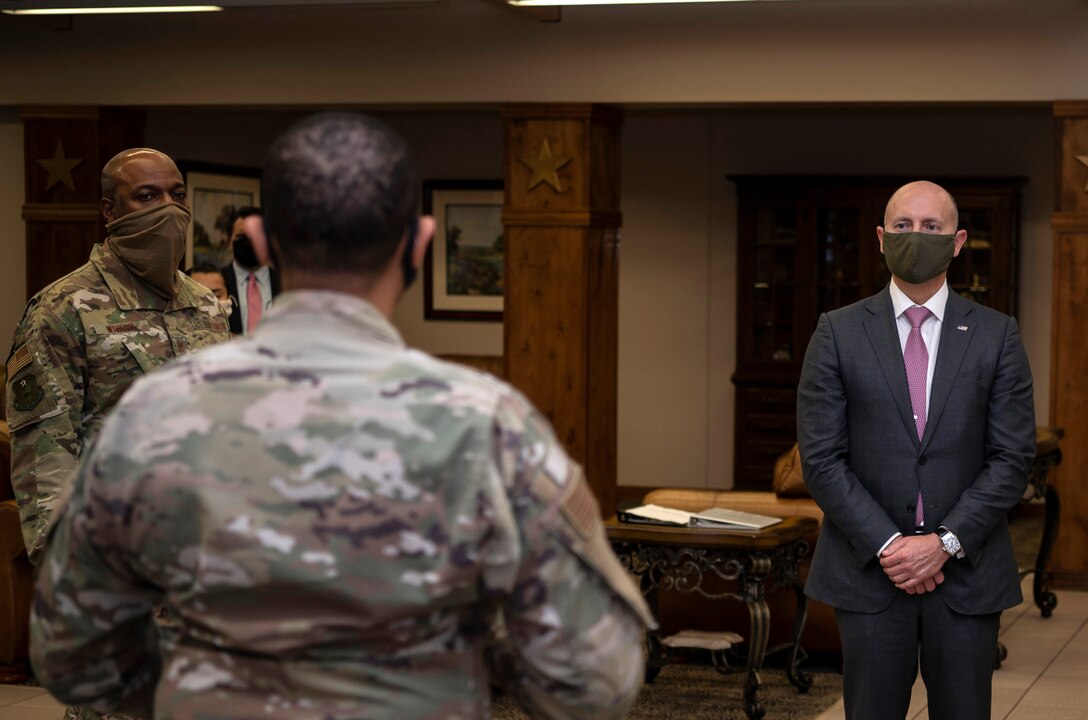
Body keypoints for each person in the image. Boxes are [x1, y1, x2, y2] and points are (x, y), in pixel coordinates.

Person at [29, 112, 654, 720]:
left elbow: (74, 651)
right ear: (419, 244)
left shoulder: (151, 411)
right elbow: (595, 678)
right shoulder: (488, 423)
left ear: (265, 243)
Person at [796, 180, 1036, 720]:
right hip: (869, 573)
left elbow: (1012, 457)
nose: (916, 236)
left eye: (932, 227)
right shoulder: (836, 333)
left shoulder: (997, 335)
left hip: (967, 575)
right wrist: (891, 545)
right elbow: (821, 458)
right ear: (881, 238)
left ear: (957, 241)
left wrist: (944, 543)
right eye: (903, 226)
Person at [4, 147, 230, 566]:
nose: (168, 208)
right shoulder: (63, 309)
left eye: (177, 195)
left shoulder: (205, 305)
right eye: (147, 196)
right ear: (109, 211)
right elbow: (45, 456)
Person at [221, 206, 280, 336]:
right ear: (229, 242)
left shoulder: (285, 283)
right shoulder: (219, 282)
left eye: (256, 235)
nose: (250, 241)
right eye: (241, 236)